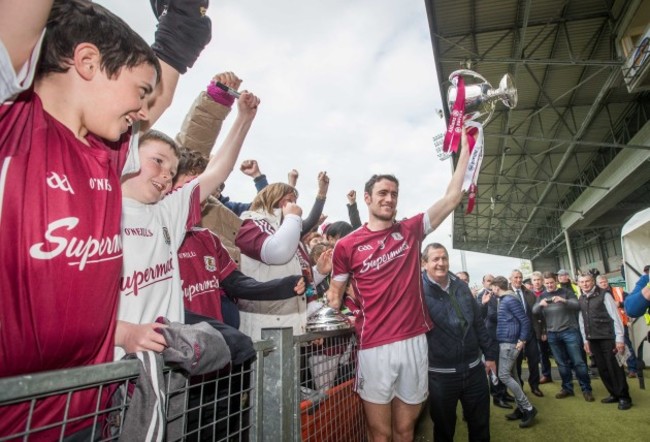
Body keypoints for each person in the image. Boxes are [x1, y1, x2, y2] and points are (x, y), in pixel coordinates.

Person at [0, 0, 187, 436]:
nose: (144, 112)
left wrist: (185, 19)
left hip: (88, 414)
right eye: (140, 92)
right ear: (87, 61)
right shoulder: (12, 126)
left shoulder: (110, 154)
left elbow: (167, 71)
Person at [325, 129, 470, 442]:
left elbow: (452, 198)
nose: (389, 199)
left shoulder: (410, 230)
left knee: (405, 430)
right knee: (380, 433)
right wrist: (320, 319)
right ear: (368, 198)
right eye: (382, 193)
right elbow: (335, 297)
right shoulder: (346, 246)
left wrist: (466, 148)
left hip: (414, 341)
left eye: (393, 194)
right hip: (374, 345)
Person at [115, 87, 260, 358]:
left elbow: (217, 171)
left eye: (171, 171)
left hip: (167, 373)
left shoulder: (169, 213)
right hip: (111, 374)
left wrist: (243, 120)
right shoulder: (99, 214)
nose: (165, 176)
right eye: (157, 161)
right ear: (129, 156)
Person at [422, 244, 497, 442]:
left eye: (444, 258)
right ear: (424, 263)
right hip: (440, 376)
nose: (441, 263)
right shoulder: (417, 291)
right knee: (444, 430)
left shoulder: (461, 286)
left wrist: (489, 355)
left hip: (474, 370)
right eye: (435, 259)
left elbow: (478, 323)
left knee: (480, 425)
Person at [532, 272, 594, 402]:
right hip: (552, 334)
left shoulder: (566, 292)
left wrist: (564, 300)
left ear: (556, 282)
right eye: (547, 283)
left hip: (570, 331)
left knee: (578, 362)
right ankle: (567, 388)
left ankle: (586, 389)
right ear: (544, 283)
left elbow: (577, 305)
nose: (549, 285)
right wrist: (540, 305)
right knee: (561, 363)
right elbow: (534, 311)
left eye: (551, 283)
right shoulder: (542, 296)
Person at [577, 274, 632, 410]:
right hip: (593, 339)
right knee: (602, 369)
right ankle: (613, 394)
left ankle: (624, 397)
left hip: (608, 338)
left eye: (587, 281)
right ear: (578, 284)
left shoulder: (605, 295)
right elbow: (582, 321)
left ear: (593, 282)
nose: (585, 284)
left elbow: (616, 317)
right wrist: (585, 340)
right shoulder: (581, 298)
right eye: (582, 282)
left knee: (614, 368)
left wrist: (619, 338)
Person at [491, 276, 537, 428]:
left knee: (503, 375)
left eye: (493, 288)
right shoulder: (505, 299)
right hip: (506, 342)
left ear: (497, 287)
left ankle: (529, 408)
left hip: (510, 344)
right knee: (512, 376)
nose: (492, 290)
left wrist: (522, 340)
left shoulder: (509, 300)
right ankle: (522, 408)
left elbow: (524, 321)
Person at [477, 274, 514, 409]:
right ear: (483, 282)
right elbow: (491, 315)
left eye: (492, 281)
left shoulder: (499, 296)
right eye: (488, 281)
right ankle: (497, 397)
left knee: (503, 367)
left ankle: (504, 393)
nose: (491, 283)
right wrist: (510, 315)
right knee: (495, 369)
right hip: (491, 338)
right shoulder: (483, 296)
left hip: (501, 336)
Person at [596, 276, 638, 378]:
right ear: (597, 284)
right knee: (613, 348)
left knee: (625, 345)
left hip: (621, 323)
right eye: (601, 282)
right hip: (606, 326)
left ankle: (632, 369)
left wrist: (620, 304)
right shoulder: (596, 295)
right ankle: (621, 368)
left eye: (605, 281)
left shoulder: (618, 290)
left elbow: (630, 302)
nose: (604, 284)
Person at [510, 270, 544, 397]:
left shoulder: (529, 293)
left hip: (530, 333)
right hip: (515, 335)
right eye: (516, 277)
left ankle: (535, 386)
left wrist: (541, 331)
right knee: (517, 363)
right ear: (511, 279)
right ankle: (520, 388)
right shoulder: (507, 293)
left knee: (534, 361)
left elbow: (537, 314)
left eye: (520, 277)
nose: (518, 280)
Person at [530, 271, 553, 384]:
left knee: (558, 352)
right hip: (537, 329)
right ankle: (546, 374)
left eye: (539, 279)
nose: (537, 282)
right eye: (534, 280)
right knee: (542, 353)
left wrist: (545, 330)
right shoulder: (529, 294)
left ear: (542, 281)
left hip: (551, 326)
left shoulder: (549, 291)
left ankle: (568, 374)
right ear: (532, 282)